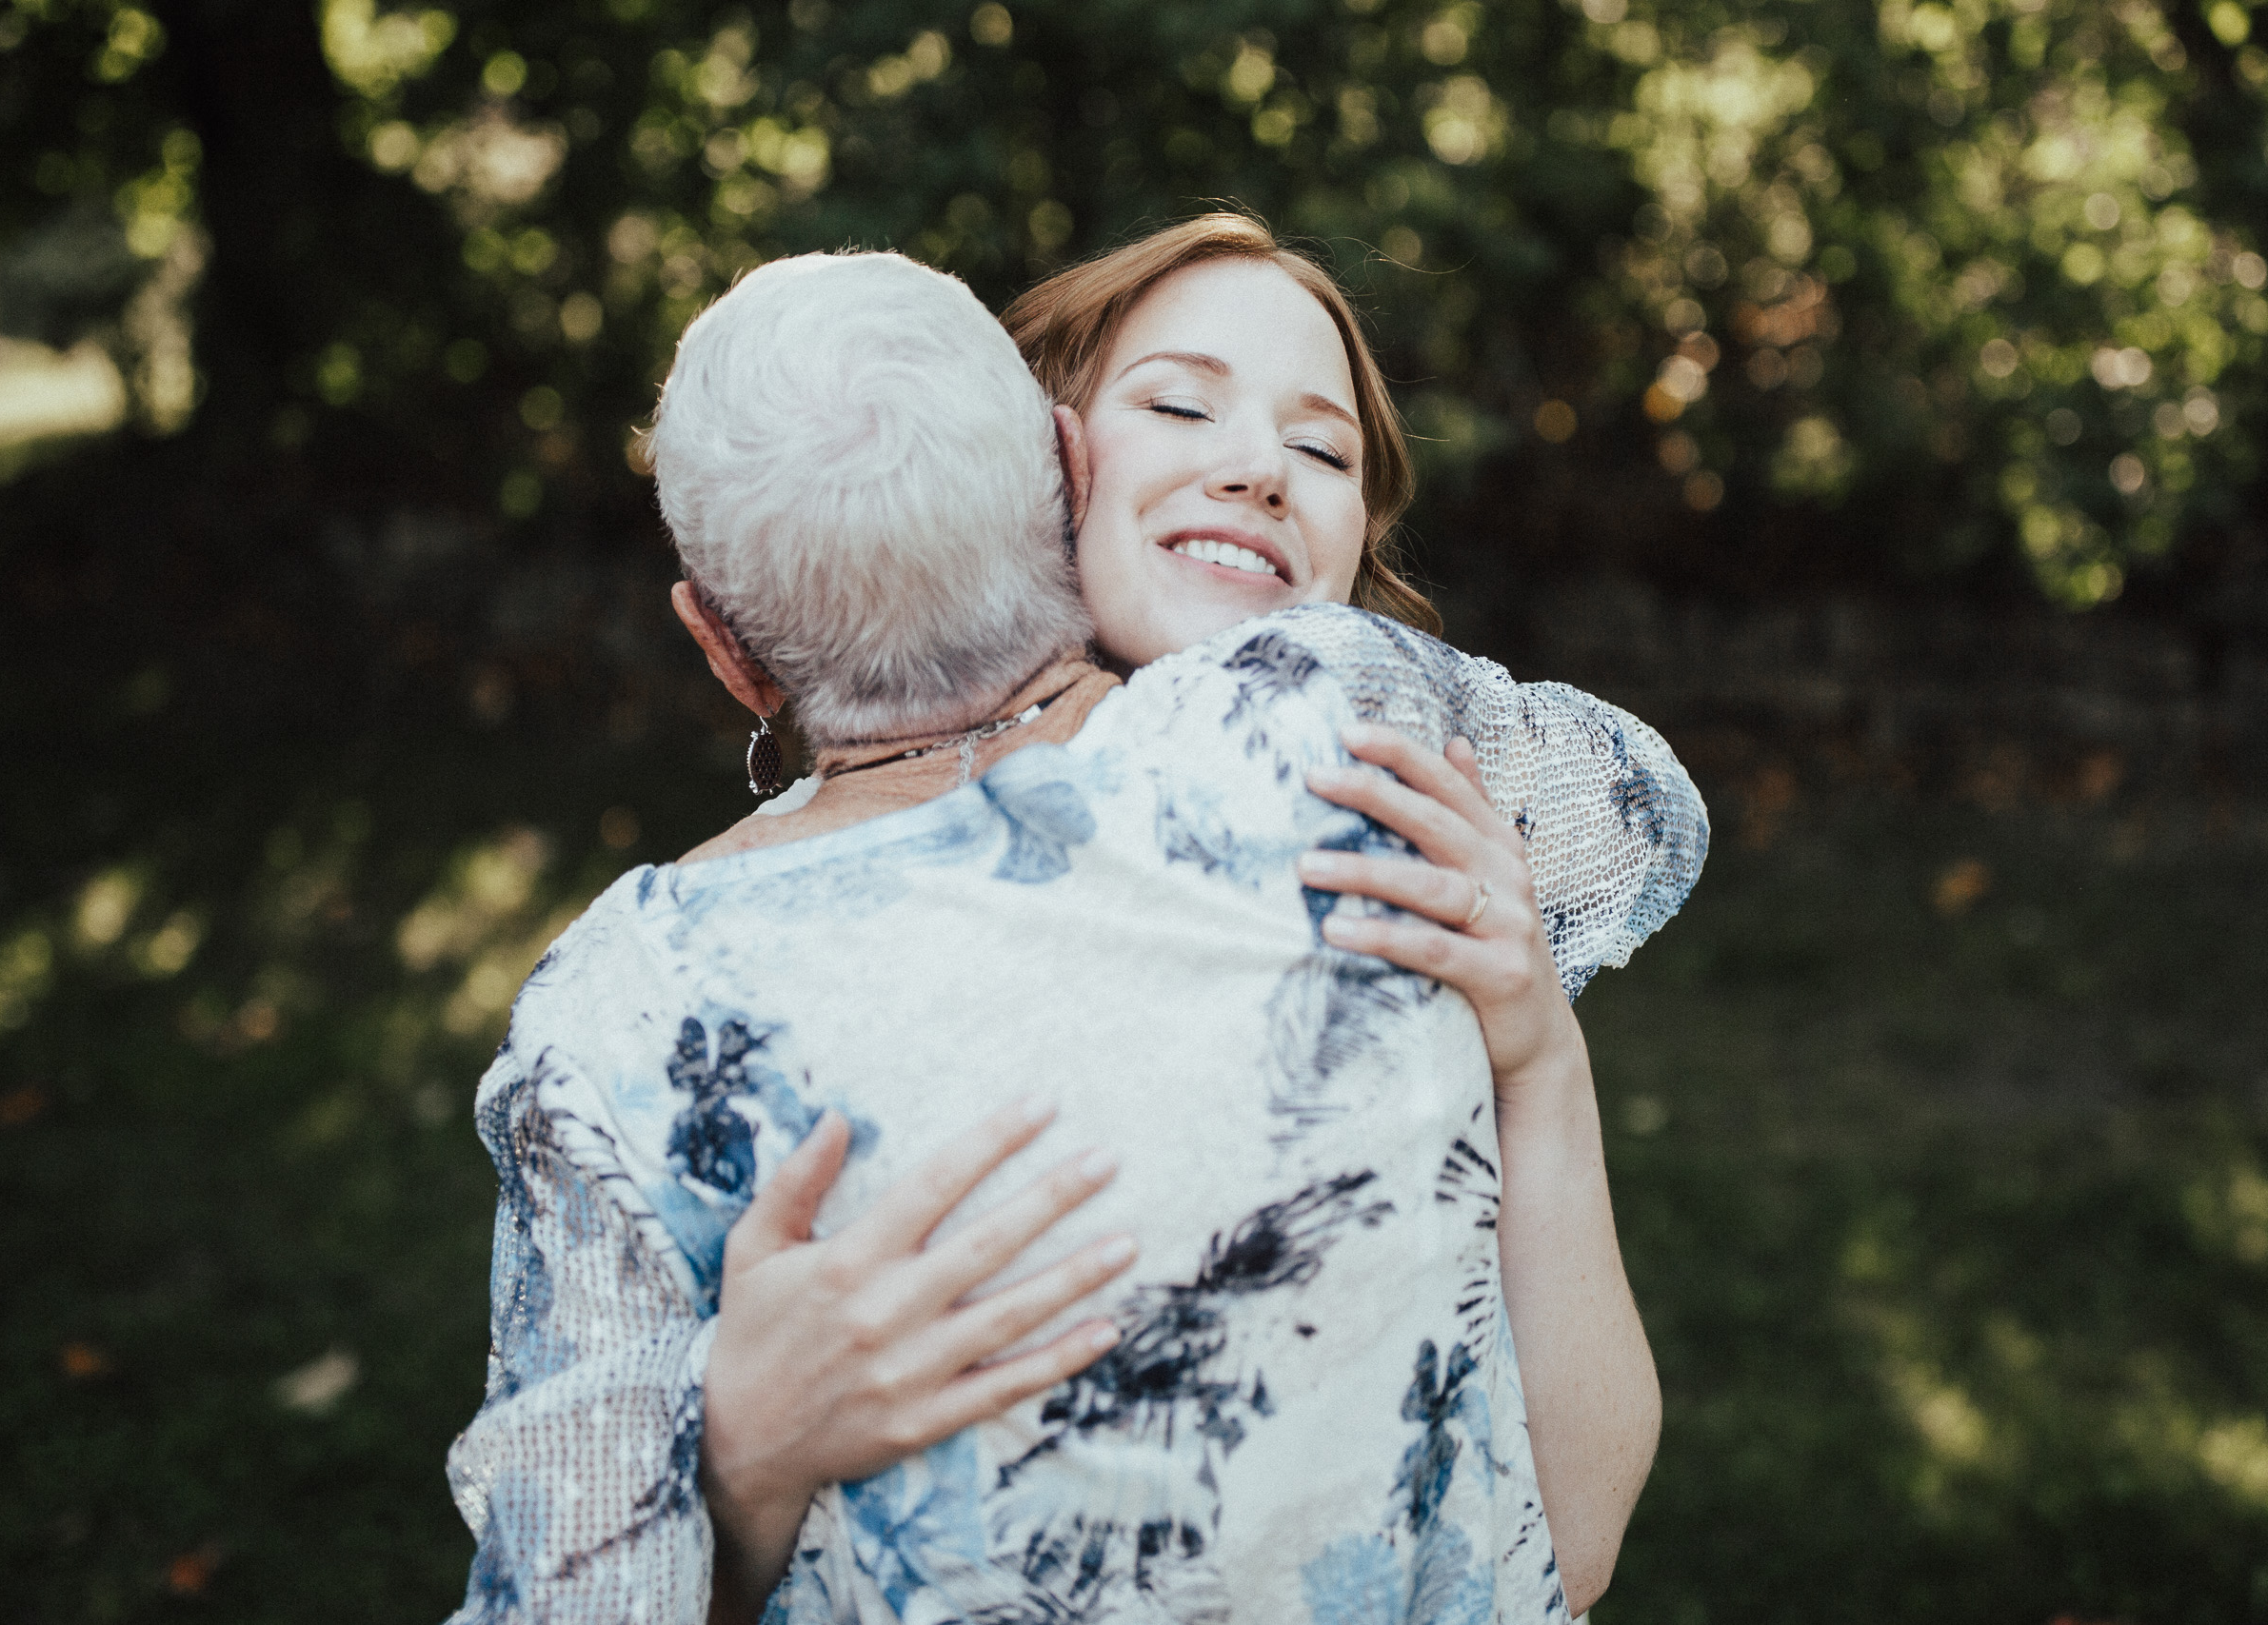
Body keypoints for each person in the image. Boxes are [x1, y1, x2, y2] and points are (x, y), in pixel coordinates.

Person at [442, 248, 1703, 1624]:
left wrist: (1542, 1058)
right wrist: (744, 1451)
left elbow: (1569, 1539)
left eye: (1318, 445)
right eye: (1176, 408)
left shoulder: (628, 1006)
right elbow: (1643, 809)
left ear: (724, 644)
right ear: (1057, 464)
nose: (1256, 470)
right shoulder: (1348, 719)